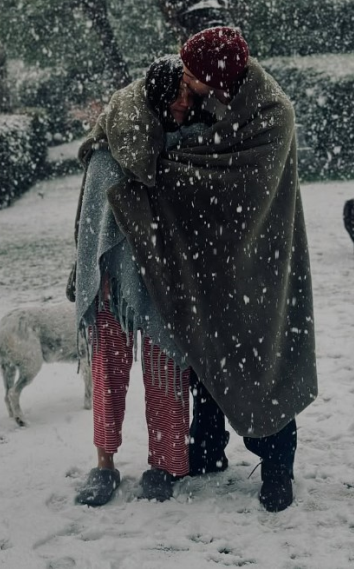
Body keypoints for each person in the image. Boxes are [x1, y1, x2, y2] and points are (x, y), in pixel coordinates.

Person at [97, 26, 317, 512]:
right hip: (208, 255)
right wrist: (132, 143)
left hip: (259, 255)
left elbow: (236, 182)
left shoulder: (272, 115)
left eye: (194, 76)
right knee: (205, 346)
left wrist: (160, 169)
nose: (186, 82)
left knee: (263, 353)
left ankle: (277, 465)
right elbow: (145, 106)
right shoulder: (209, 93)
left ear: (219, 80)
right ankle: (208, 446)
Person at [72, 56, 207, 507]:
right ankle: (104, 464)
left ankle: (164, 464)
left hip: (162, 282)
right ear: (160, 99)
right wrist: (85, 267)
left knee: (166, 368)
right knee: (108, 371)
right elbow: (90, 221)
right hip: (111, 279)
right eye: (183, 96)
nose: (189, 104)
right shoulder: (112, 147)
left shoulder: (184, 144)